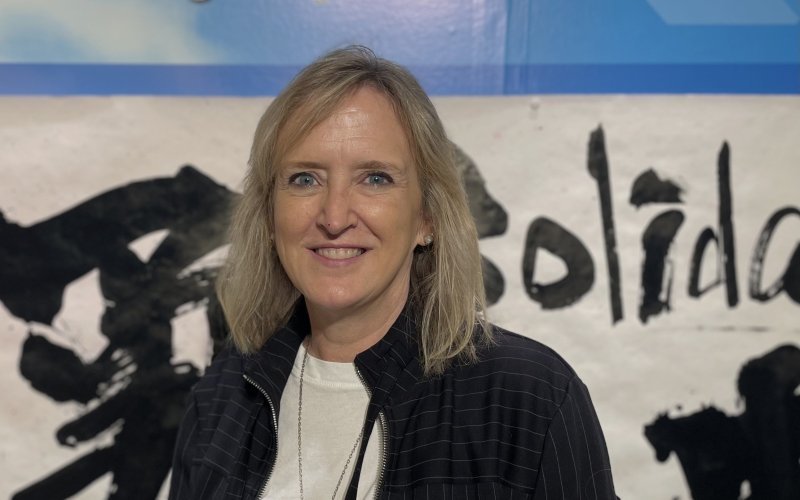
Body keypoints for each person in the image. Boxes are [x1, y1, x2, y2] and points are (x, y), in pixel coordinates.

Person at [169, 45, 617, 500]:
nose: (334, 215)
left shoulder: (528, 399)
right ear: (268, 214)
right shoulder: (225, 392)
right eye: (305, 178)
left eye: (375, 178)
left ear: (427, 217)